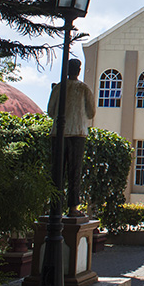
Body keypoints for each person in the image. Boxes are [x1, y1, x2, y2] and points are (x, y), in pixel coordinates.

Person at [47, 58, 96, 217]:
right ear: (79, 70)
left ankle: (55, 206)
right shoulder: (83, 88)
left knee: (57, 171)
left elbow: (50, 111)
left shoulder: (59, 88)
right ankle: (73, 207)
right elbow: (91, 112)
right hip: (77, 133)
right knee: (74, 172)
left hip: (59, 134)